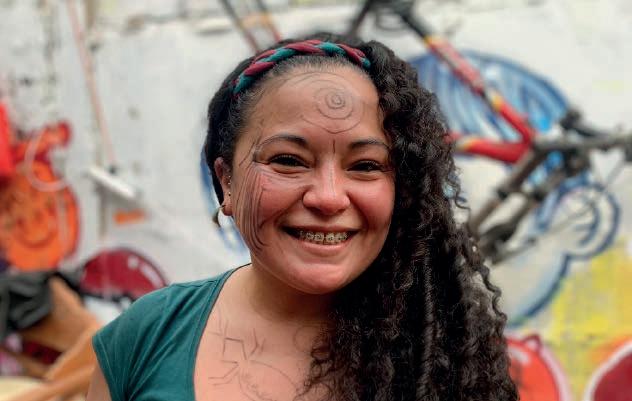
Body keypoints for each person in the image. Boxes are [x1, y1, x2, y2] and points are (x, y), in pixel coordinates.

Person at [87, 32, 517, 401]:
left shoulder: (448, 358)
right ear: (227, 181)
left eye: (365, 165)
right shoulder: (146, 336)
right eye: (288, 160)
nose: (329, 198)